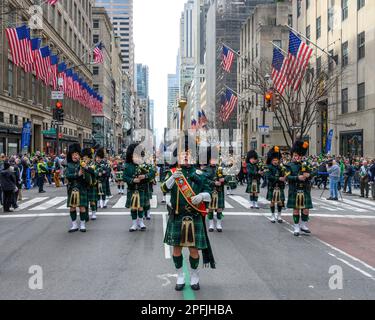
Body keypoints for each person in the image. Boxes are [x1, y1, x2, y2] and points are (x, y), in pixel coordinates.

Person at [161, 136, 215, 291]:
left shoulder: (200, 173)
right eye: (182, 154)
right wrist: (173, 178)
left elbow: (210, 193)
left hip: (194, 216)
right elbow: (164, 188)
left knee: (193, 250)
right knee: (176, 250)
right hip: (177, 215)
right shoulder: (172, 172)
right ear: (178, 157)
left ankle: (195, 276)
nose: (185, 157)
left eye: (188, 154)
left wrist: (201, 197)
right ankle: (180, 276)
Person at [286, 140, 313, 237]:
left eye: (298, 156)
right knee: (296, 209)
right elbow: (287, 177)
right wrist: (297, 177)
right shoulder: (289, 165)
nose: (296, 157)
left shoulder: (306, 165)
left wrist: (309, 175)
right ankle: (296, 226)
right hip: (294, 190)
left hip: (305, 189)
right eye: (295, 155)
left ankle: (303, 225)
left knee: (306, 209)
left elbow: (314, 172)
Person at [123, 144, 152, 232]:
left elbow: (153, 173)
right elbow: (124, 177)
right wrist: (132, 180)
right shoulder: (127, 165)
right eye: (133, 156)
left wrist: (145, 176)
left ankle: (141, 222)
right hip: (132, 189)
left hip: (142, 189)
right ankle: (134, 224)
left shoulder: (145, 164)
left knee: (140, 207)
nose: (135, 157)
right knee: (133, 207)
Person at [66, 143, 90, 233]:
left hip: (81, 187)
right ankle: (74, 225)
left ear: (79, 155)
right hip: (72, 187)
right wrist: (77, 174)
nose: (74, 156)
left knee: (82, 207)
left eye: (76, 154)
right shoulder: (69, 165)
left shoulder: (83, 164)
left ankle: (82, 225)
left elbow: (88, 178)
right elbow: (67, 175)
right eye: (72, 154)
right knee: (72, 207)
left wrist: (85, 169)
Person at [202, 148, 226, 232]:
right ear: (209, 159)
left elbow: (228, 178)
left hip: (219, 191)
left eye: (215, 159)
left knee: (219, 208)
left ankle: (219, 224)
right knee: (210, 208)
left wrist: (224, 180)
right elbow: (203, 180)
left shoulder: (220, 168)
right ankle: (211, 224)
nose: (214, 160)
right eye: (212, 159)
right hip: (210, 191)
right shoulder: (205, 169)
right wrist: (213, 183)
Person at [265, 146, 286, 223]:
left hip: (280, 186)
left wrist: (285, 176)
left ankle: (279, 215)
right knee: (272, 202)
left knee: (280, 201)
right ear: (271, 160)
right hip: (272, 186)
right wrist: (278, 179)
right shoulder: (268, 167)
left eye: (276, 160)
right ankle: (272, 215)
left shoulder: (281, 167)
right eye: (274, 160)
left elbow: (283, 175)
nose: (275, 161)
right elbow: (269, 176)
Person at [81, 148, 99, 221]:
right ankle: (86, 215)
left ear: (88, 156)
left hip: (92, 184)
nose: (84, 157)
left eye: (85, 156)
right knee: (85, 202)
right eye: (83, 156)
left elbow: (93, 171)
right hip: (84, 184)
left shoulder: (92, 163)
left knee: (92, 200)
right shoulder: (82, 162)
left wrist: (85, 166)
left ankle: (94, 213)